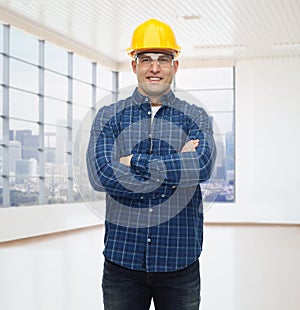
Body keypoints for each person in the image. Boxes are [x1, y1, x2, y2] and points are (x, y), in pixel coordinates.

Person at [86, 18, 216, 310]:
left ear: (175, 66)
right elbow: (100, 174)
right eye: (146, 59)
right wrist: (176, 166)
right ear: (134, 65)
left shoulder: (195, 116)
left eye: (163, 59)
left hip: (179, 260)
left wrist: (132, 162)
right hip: (123, 260)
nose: (154, 68)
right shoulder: (110, 117)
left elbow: (202, 167)